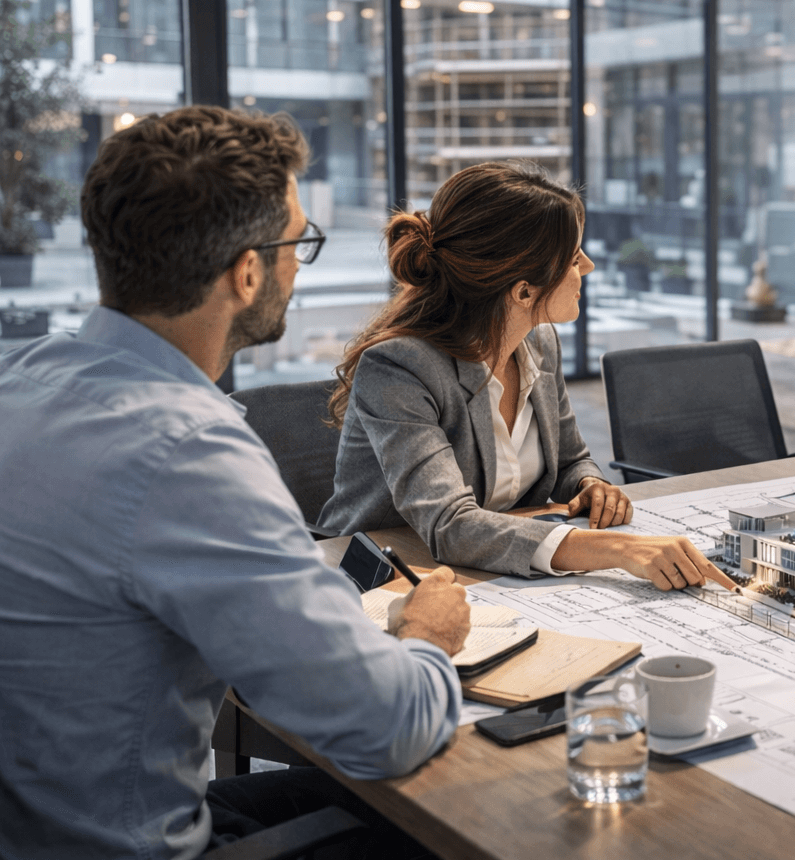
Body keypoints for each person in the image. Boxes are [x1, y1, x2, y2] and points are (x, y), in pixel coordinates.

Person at [0, 106, 470, 859]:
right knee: (456, 821)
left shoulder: (21, 382)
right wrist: (428, 636)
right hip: (128, 841)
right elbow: (387, 729)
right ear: (247, 272)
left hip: (41, 820)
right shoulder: (185, 449)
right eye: (298, 243)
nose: (296, 264)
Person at [319, 161, 733, 592]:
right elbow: (450, 525)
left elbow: (571, 460)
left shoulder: (538, 344)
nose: (588, 267)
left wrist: (591, 484)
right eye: (574, 258)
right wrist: (619, 549)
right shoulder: (402, 369)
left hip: (494, 577)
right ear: (523, 291)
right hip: (387, 582)